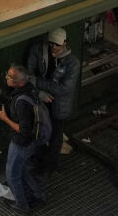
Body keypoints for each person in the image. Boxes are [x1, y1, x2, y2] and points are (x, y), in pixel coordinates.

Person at [0, 64, 49, 214]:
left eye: (10, 77)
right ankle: (38, 195)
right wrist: (3, 94)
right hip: (34, 141)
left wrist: (4, 118)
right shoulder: (28, 91)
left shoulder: (22, 102)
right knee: (23, 169)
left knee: (12, 174)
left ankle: (22, 205)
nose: (6, 77)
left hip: (22, 143)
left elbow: (23, 130)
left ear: (20, 82)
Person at [24, 27, 79, 170]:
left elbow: (64, 89)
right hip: (41, 102)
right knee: (39, 133)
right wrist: (39, 93)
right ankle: (41, 163)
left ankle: (49, 166)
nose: (54, 47)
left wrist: (39, 83)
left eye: (57, 45)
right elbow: (28, 77)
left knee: (55, 137)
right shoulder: (38, 50)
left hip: (58, 106)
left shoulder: (72, 63)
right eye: (51, 44)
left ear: (65, 43)